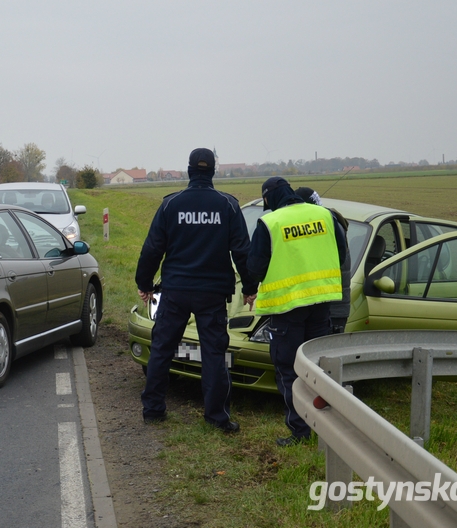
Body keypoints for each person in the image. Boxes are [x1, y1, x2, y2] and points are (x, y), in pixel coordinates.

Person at [136, 148, 257, 433]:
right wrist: (250, 288)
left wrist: (144, 284)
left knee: (162, 349)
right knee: (214, 354)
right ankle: (216, 417)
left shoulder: (171, 204)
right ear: (213, 171)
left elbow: (153, 248)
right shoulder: (227, 205)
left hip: (176, 291)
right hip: (212, 294)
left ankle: (153, 410)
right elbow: (242, 250)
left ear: (190, 170)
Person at [248, 177, 346, 446]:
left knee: (289, 368)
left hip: (287, 308)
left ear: (268, 199)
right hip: (321, 304)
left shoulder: (271, 222)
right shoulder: (324, 215)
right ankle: (322, 425)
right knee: (315, 366)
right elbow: (341, 253)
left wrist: (251, 287)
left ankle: (300, 431)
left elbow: (255, 266)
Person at [294, 187, 351, 333]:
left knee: (324, 352)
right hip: (329, 304)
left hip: (332, 306)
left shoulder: (325, 227)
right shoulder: (331, 222)